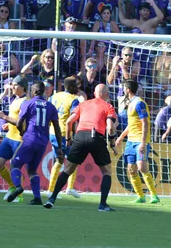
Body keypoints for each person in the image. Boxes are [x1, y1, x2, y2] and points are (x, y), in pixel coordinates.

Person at [45, 83, 118, 211]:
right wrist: (112, 143)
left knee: (68, 169)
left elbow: (69, 122)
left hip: (80, 136)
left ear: (94, 93)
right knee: (106, 172)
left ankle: (52, 198)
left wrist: (68, 139)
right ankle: (102, 205)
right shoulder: (108, 106)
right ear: (106, 95)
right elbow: (110, 127)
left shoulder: (83, 104)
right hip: (96, 136)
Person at [2, 82, 63, 205]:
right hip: (42, 142)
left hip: (30, 139)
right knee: (32, 170)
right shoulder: (51, 106)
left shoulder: (28, 103)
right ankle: (37, 198)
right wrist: (60, 147)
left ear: (33, 92)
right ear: (44, 92)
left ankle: (18, 187)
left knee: (15, 164)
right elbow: (57, 128)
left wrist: (22, 132)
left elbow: (19, 122)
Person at [115, 79, 160, 204]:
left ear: (127, 90)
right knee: (131, 169)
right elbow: (131, 125)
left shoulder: (139, 103)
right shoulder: (130, 103)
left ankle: (154, 195)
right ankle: (140, 196)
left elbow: (145, 123)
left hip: (140, 141)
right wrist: (121, 137)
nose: (123, 90)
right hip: (130, 141)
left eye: (124, 88)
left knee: (142, 167)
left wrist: (143, 142)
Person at [0, 75, 28, 202]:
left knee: (15, 167)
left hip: (19, 139)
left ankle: (19, 195)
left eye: (15, 84)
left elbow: (22, 123)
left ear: (22, 87)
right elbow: (15, 118)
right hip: (9, 137)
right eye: (12, 84)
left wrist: (4, 116)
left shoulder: (25, 102)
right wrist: (9, 124)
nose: (12, 86)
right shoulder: (15, 99)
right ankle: (13, 187)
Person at [46, 76, 81, 198]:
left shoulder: (54, 96)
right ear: (71, 87)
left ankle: (52, 189)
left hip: (52, 132)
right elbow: (71, 120)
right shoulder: (74, 100)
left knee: (59, 161)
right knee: (73, 160)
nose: (78, 88)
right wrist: (71, 137)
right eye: (76, 85)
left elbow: (47, 111)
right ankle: (69, 188)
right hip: (64, 134)